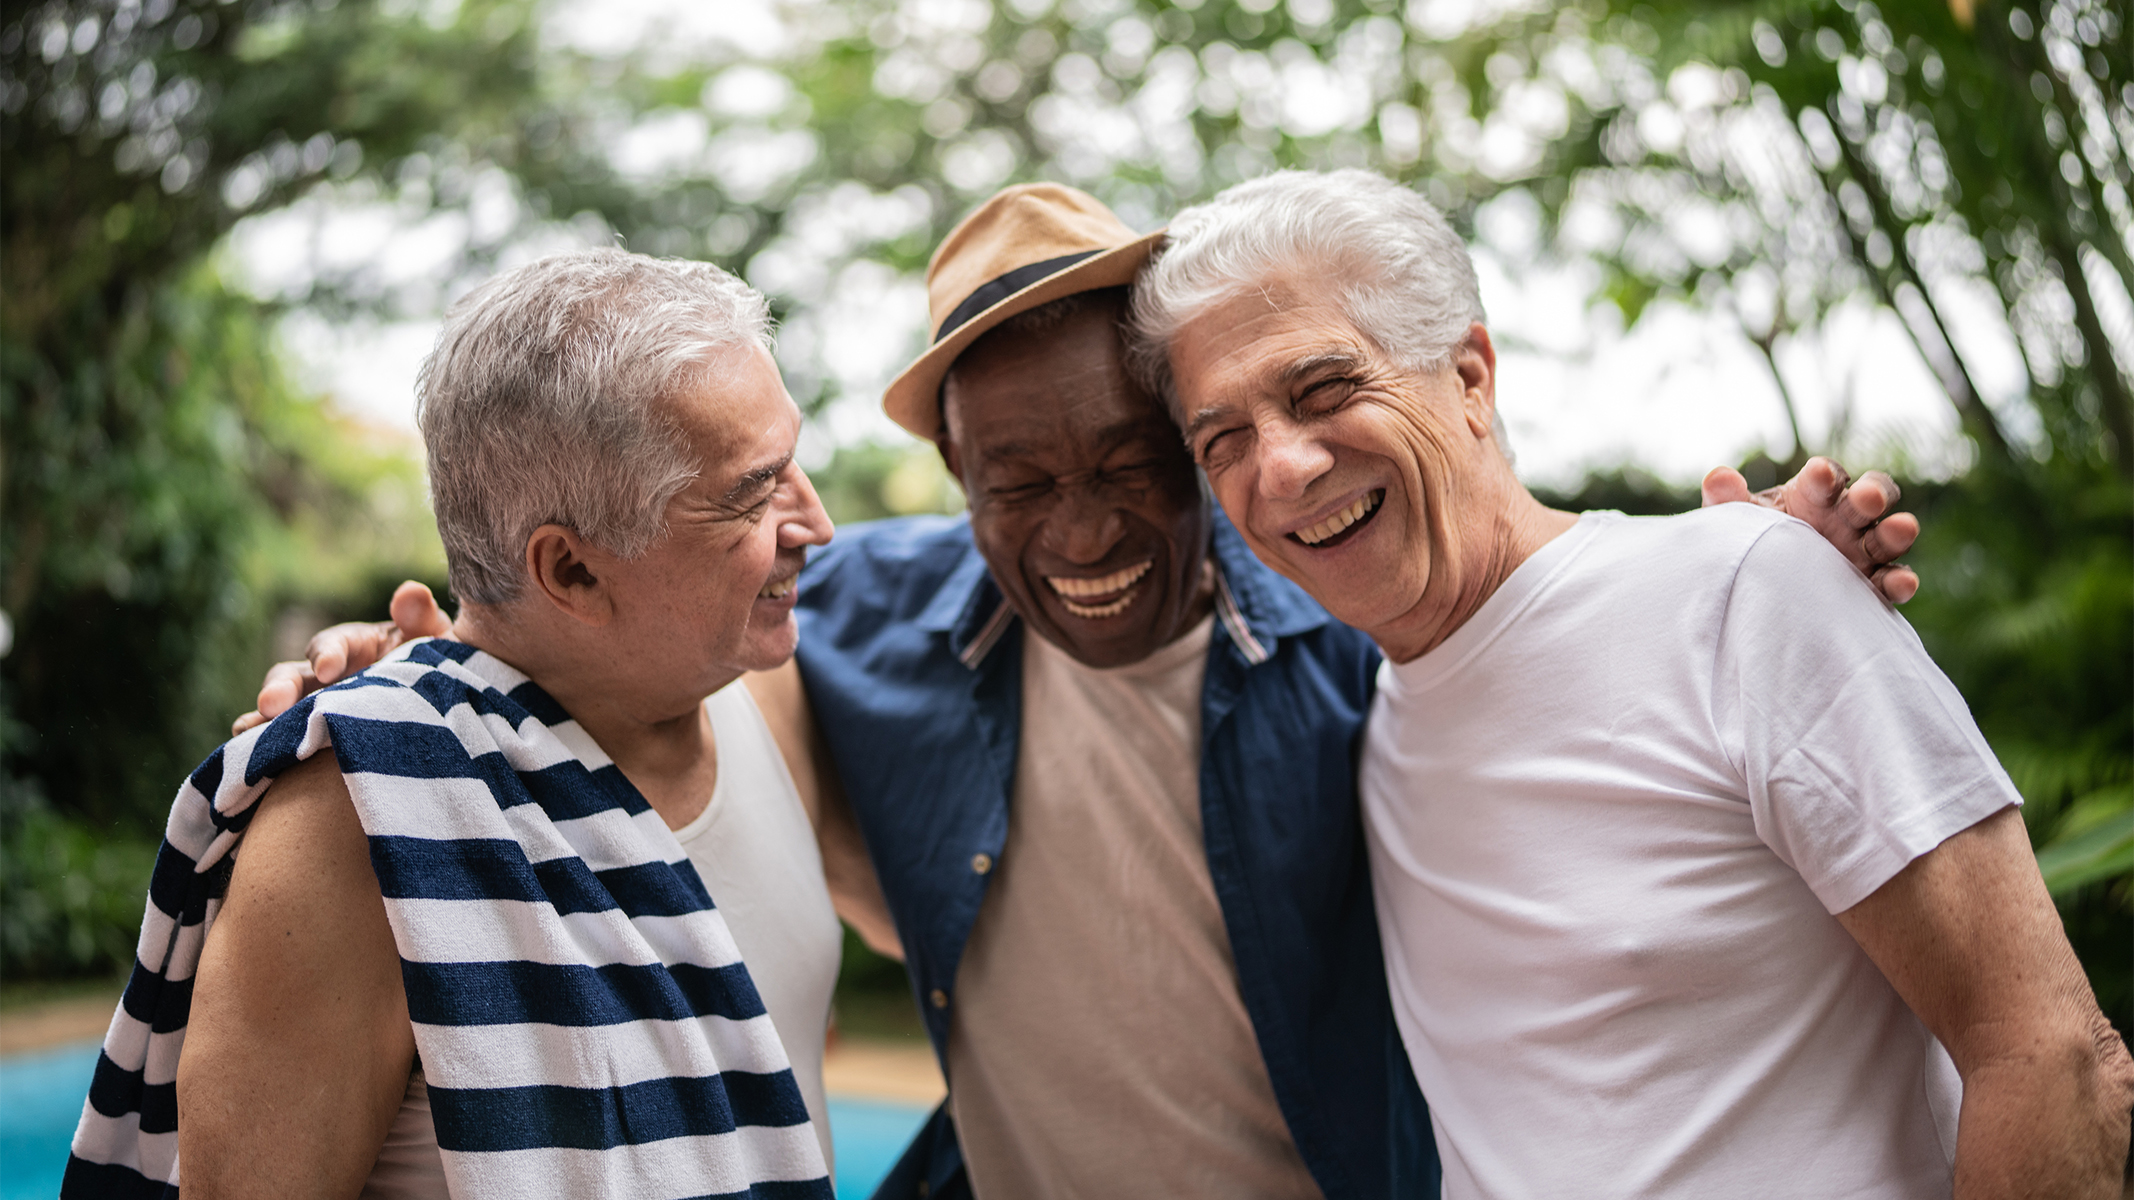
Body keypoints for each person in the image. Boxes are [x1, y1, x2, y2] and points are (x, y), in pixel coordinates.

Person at [259, 184, 1926, 1200]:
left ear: (1200, 447)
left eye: (1136, 464)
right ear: (955, 480)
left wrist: (1728, 562)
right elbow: (599, 624)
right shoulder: (854, 621)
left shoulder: (1355, 636)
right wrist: (410, 675)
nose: (1078, 536)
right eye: (1013, 483)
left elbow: (1513, 586)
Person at [1131, 167, 2134, 1199]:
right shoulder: (1361, 724)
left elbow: (2052, 1056)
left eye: (1323, 390)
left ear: (1469, 377)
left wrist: (1764, 569)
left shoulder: (1744, 595)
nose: (1282, 467)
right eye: (1224, 443)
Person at [66, 249, 841, 1200]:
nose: (818, 521)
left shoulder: (773, 693)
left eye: (790, 460)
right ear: (571, 573)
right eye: (752, 493)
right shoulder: (365, 815)